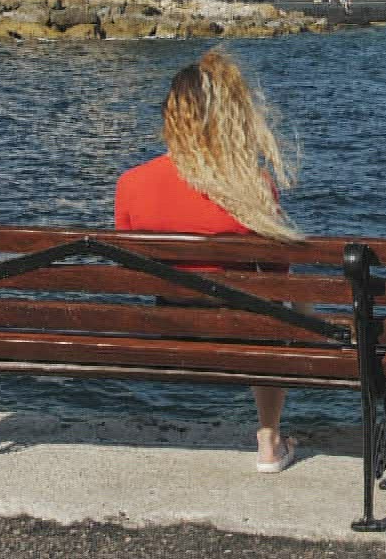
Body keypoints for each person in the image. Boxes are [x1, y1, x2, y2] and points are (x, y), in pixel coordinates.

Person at [114, 48, 305, 473]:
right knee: (284, 308)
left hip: (167, 325)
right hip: (240, 331)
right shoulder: (251, 185)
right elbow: (279, 278)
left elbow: (129, 264)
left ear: (171, 117)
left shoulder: (131, 183)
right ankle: (269, 439)